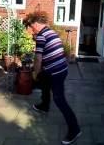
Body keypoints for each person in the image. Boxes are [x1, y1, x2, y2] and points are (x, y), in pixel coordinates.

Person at [24, 11, 82, 145]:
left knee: (59, 99)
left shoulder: (41, 36)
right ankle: (44, 105)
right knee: (44, 81)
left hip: (56, 72)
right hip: (60, 69)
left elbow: (38, 59)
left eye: (32, 26)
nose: (31, 29)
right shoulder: (50, 32)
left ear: (37, 23)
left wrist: (35, 73)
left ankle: (75, 129)